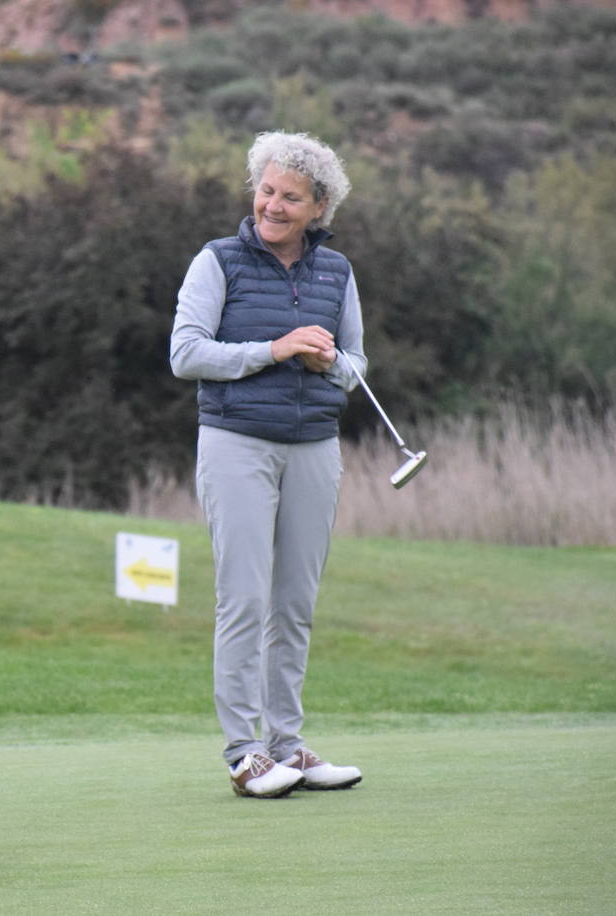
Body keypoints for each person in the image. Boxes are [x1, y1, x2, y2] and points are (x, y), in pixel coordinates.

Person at [170, 131, 366, 799]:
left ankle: (288, 745)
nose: (273, 205)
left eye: (291, 197)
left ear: (318, 208)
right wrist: (275, 349)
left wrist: (328, 362)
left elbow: (356, 368)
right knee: (245, 599)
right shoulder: (217, 261)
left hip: (314, 446)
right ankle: (245, 754)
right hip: (237, 444)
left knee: (295, 603)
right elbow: (186, 354)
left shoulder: (336, 273)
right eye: (267, 190)